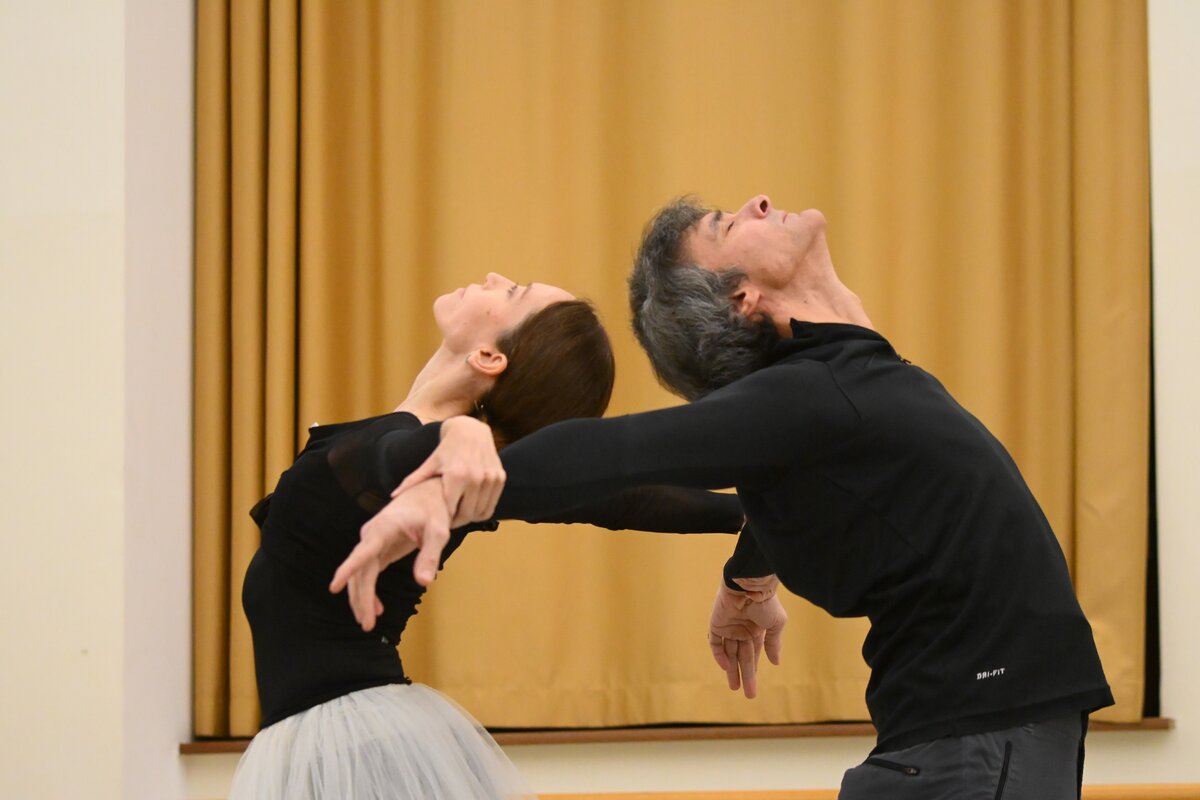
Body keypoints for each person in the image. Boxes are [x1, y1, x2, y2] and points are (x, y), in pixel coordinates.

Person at [338, 197, 1114, 800]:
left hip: (973, 738)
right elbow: (621, 453)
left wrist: (747, 579)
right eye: (727, 223)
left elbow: (800, 474)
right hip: (971, 743)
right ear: (742, 296)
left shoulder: (837, 392)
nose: (760, 202)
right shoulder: (815, 394)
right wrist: (443, 485)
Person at [233, 271, 744, 800]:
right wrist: (749, 515)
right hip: (352, 738)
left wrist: (456, 434)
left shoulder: (429, 458)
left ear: (488, 357)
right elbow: (621, 498)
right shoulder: (466, 474)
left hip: (348, 745)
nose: (495, 278)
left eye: (513, 292)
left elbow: (392, 456)